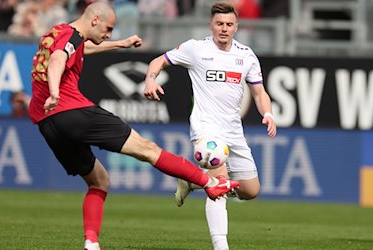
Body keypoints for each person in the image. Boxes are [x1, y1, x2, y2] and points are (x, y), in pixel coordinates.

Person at [28, 2, 239, 250]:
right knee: (147, 149)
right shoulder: (71, 36)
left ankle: (91, 243)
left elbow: (76, 50)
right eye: (108, 29)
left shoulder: (58, 33)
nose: (108, 34)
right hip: (71, 110)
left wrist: (120, 44)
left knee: (99, 181)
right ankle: (211, 184)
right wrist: (55, 92)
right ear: (94, 20)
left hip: (47, 121)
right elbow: (57, 60)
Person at [143, 2, 277, 250]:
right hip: (207, 130)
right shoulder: (196, 49)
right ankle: (220, 246)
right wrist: (150, 79)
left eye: (228, 24)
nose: (224, 29)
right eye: (219, 24)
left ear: (236, 27)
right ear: (211, 25)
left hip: (233, 131)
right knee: (219, 184)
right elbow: (158, 61)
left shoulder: (246, 55)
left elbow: (259, 93)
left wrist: (267, 113)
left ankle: (192, 181)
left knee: (250, 190)